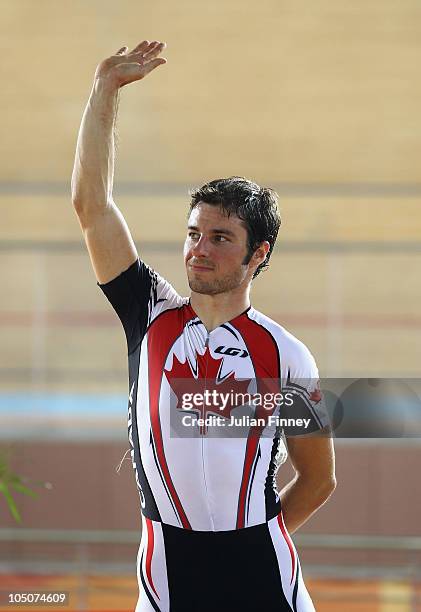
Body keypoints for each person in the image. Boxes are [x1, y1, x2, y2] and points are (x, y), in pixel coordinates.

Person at [71, 40, 336, 612]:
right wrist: (105, 91)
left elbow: (319, 480)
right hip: (166, 573)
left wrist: (247, 543)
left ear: (257, 254)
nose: (199, 250)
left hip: (262, 569)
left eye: (220, 239)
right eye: (194, 234)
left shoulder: (289, 356)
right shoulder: (149, 313)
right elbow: (91, 204)